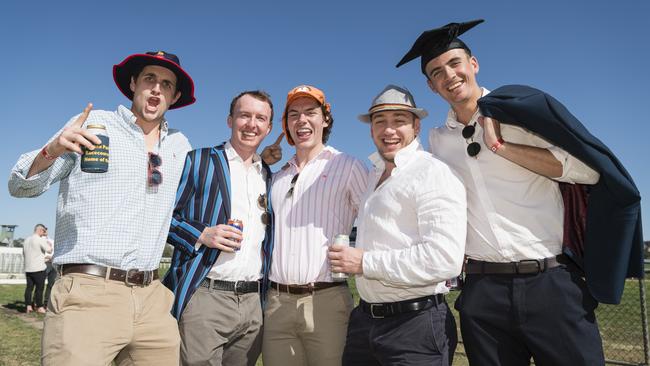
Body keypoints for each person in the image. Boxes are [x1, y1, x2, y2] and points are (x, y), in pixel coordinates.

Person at [396, 20, 607, 366]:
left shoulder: (523, 113)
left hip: (551, 282)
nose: (448, 75)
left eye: (454, 63)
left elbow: (588, 170)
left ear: (473, 64)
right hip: (483, 292)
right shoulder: (438, 141)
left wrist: (502, 146)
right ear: (431, 86)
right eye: (436, 72)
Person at [9, 50, 196, 366]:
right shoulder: (94, 125)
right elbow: (21, 186)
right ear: (134, 83)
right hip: (87, 292)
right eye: (149, 79)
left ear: (174, 96)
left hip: (152, 298)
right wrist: (51, 150)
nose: (156, 89)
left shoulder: (180, 146)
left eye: (166, 84)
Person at [329, 85, 467, 366]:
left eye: (399, 121)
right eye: (380, 121)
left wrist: (365, 262)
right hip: (365, 321)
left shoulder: (433, 173)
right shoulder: (373, 177)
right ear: (371, 130)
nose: (388, 130)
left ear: (416, 126)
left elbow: (444, 259)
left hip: (415, 325)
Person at [163, 90, 275, 366]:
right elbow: (163, 218)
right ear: (229, 120)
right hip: (206, 296)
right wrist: (201, 234)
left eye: (260, 118)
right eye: (244, 115)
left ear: (269, 128)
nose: (252, 124)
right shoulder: (199, 161)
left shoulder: (270, 176)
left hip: (252, 303)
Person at [262, 85, 368, 366]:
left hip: (326, 300)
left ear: (326, 119)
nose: (302, 120)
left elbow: (375, 219)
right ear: (285, 127)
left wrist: (364, 256)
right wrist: (261, 163)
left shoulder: (348, 165)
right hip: (276, 302)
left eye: (310, 112)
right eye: (293, 114)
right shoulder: (277, 177)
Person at [22, 224, 49, 314]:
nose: (45, 233)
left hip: (28, 268)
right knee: (39, 289)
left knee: (29, 288)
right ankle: (40, 307)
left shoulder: (27, 240)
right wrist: (46, 239)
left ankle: (28, 306)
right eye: (44, 231)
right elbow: (49, 249)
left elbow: (24, 253)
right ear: (40, 230)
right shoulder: (40, 239)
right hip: (38, 268)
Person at [42, 227, 56, 308]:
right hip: (43, 264)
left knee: (51, 284)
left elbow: (54, 251)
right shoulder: (39, 240)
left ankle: (46, 303)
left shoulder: (52, 241)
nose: (45, 231)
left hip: (52, 263)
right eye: (43, 230)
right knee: (40, 285)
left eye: (46, 230)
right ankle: (37, 302)